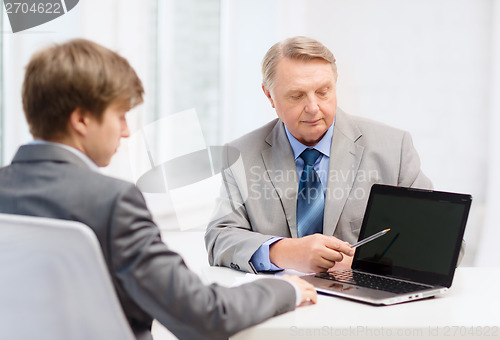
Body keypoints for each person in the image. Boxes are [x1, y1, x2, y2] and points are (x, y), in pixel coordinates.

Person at [0, 38, 317, 340]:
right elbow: (204, 316)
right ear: (81, 120)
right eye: (120, 116)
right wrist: (286, 289)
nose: (126, 132)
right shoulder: (112, 202)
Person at [205, 36, 434, 274]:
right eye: (297, 95)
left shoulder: (393, 148)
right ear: (269, 96)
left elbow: (440, 239)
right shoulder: (241, 155)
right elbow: (219, 238)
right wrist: (284, 252)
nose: (313, 108)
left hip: (366, 303)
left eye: (323, 92)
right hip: (283, 302)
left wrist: (368, 262)